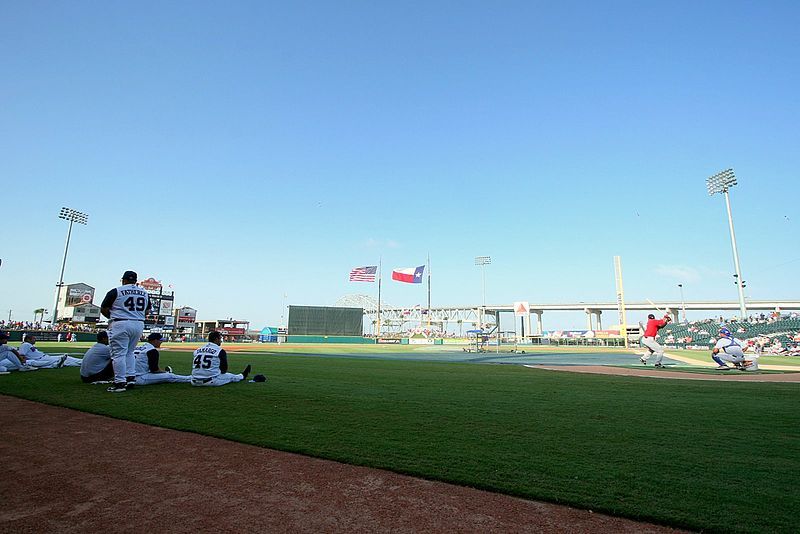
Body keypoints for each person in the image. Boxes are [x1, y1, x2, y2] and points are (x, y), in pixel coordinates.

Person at [100, 270, 150, 393]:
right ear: (135, 281)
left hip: (120, 322)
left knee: (118, 354)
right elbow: (147, 311)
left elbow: (104, 308)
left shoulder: (116, 290)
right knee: (130, 352)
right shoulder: (144, 292)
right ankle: (130, 377)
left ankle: (120, 382)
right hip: (138, 323)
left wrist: (113, 318)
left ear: (124, 280)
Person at [18, 334, 82, 368]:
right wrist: (27, 362)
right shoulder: (25, 344)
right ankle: (82, 362)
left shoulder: (28, 345)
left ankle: (82, 364)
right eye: (33, 339)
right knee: (66, 359)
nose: (35, 340)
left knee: (65, 362)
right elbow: (21, 355)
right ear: (28, 339)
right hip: (41, 359)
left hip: (43, 358)